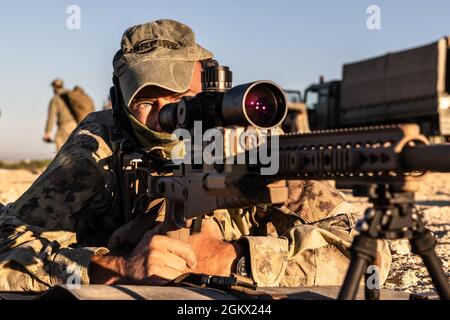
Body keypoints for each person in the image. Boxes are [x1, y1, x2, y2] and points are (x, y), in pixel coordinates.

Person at [0, 19, 391, 292]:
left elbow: (369, 256)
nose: (168, 114)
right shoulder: (101, 142)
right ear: (121, 105)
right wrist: (112, 268)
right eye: (147, 101)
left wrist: (234, 260)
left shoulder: (251, 141)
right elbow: (7, 242)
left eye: (182, 99)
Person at [43, 79, 78, 151]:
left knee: (58, 141)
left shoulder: (55, 99)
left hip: (65, 125)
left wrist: (47, 133)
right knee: (74, 146)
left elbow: (51, 117)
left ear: (54, 87)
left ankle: (64, 161)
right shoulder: (71, 94)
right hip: (76, 124)